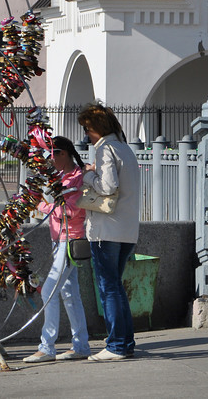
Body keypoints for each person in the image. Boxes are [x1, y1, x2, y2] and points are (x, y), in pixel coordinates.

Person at [77, 102, 140, 361]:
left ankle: (116, 345)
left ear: (96, 128)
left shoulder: (105, 149)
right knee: (117, 287)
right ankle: (124, 342)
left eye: (87, 129)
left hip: (106, 230)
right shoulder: (124, 149)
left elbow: (107, 186)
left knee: (109, 288)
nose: (86, 136)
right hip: (127, 230)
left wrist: (86, 176)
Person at [24, 136, 91, 363]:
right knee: (70, 294)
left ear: (64, 154)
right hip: (59, 240)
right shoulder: (62, 175)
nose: (50, 160)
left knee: (49, 291)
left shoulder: (79, 177)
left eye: (53, 155)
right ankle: (81, 345)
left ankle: (47, 346)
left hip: (69, 240)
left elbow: (72, 211)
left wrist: (41, 206)